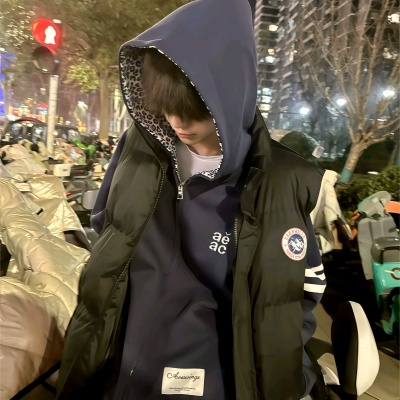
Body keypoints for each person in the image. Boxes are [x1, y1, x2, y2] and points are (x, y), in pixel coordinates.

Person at [56, 0, 326, 399]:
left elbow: (297, 293)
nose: (178, 122)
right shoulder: (139, 147)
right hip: (119, 363)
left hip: (212, 376)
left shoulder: (280, 181)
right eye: (166, 105)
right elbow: (107, 226)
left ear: (231, 95)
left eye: (195, 109)